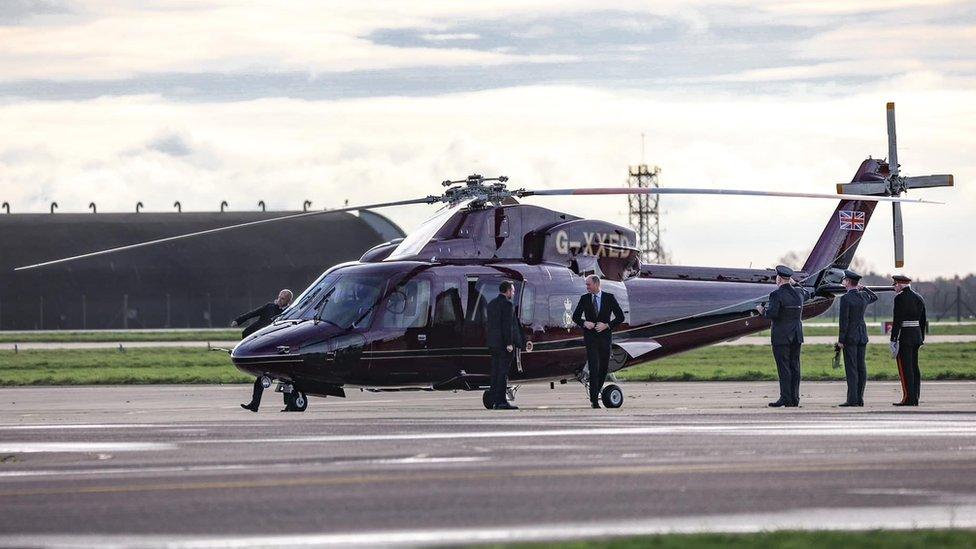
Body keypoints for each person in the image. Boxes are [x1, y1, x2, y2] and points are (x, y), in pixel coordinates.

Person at [757, 265, 810, 408]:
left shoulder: (776, 295)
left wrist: (762, 311)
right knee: (795, 366)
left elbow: (772, 314)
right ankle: (794, 398)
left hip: (781, 336)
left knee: (784, 367)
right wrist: (795, 283)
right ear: (789, 278)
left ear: (778, 278)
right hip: (796, 334)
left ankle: (785, 398)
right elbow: (808, 293)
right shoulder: (799, 293)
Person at [572, 274, 625, 408]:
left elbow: (620, 317)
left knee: (603, 369)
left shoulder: (609, 298)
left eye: (588, 284)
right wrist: (585, 323)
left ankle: (595, 393)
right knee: (594, 368)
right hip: (591, 339)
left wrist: (607, 325)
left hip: (605, 338)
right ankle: (594, 400)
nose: (587, 287)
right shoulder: (584, 299)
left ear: (596, 284)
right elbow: (575, 317)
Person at [236, 289, 293, 412]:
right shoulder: (269, 307)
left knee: (287, 379)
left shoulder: (291, 312)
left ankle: (291, 405)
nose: (279, 300)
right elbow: (252, 314)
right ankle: (254, 405)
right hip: (267, 351)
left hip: (281, 352)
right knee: (261, 379)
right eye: (279, 297)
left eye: (283, 298)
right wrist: (239, 320)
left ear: (289, 301)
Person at [836, 269, 878, 407]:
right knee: (861, 367)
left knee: (851, 368)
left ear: (848, 282)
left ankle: (852, 399)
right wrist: (864, 288)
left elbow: (844, 321)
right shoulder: (864, 296)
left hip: (850, 337)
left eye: (845, 281)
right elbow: (874, 297)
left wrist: (841, 340)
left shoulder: (845, 298)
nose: (844, 283)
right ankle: (859, 399)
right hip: (862, 335)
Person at [486, 281, 524, 410]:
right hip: (503, 345)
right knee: (502, 373)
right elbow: (508, 326)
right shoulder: (507, 304)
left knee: (495, 372)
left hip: (493, 343)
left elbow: (491, 325)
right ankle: (501, 401)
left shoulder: (491, 304)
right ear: (507, 291)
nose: (513, 293)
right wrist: (509, 343)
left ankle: (493, 399)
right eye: (512, 291)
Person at [890, 274, 927, 406]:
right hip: (916, 335)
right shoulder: (919, 297)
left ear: (899, 284)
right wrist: (921, 337)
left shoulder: (899, 298)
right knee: (914, 367)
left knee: (906, 369)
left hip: (905, 336)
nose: (894, 287)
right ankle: (915, 396)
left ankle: (908, 398)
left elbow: (897, 320)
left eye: (894, 284)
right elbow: (923, 321)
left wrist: (893, 338)